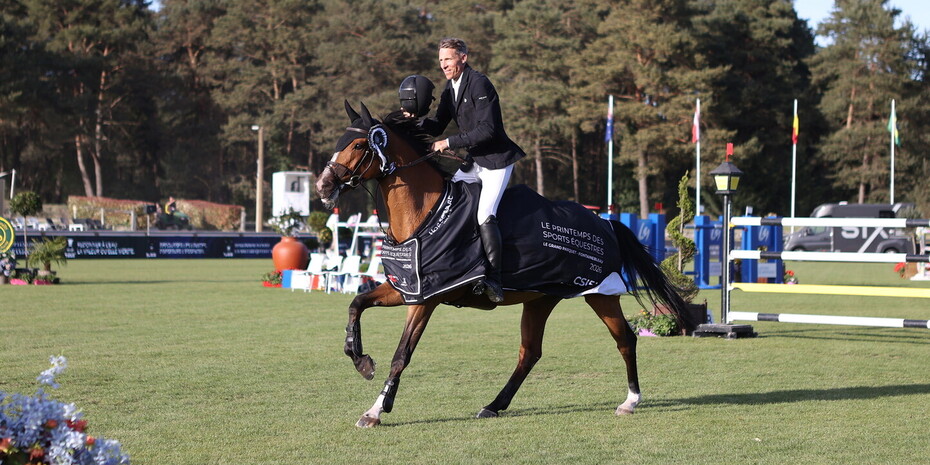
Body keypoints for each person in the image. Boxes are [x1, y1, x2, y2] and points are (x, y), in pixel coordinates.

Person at [411, 38, 526, 303]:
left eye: (448, 59)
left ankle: (494, 279)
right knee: (449, 202)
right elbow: (437, 125)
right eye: (441, 60)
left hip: (497, 161)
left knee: (485, 214)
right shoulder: (450, 88)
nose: (443, 65)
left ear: (463, 57)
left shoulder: (479, 83)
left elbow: (488, 130)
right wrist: (413, 121)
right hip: (474, 161)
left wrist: (448, 143)